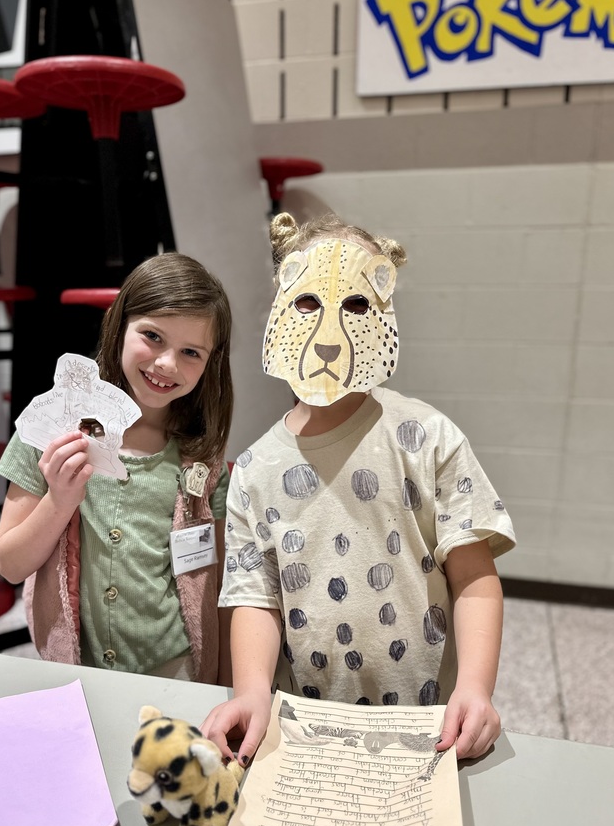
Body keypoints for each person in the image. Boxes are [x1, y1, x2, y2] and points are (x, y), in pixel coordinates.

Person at [202, 212, 515, 764]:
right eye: (307, 303)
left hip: (427, 721)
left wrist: (475, 687)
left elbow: (472, 574)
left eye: (355, 305)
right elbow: (256, 596)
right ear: (280, 304)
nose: (331, 330)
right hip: (305, 722)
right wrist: (251, 691)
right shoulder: (253, 470)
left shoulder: (427, 438)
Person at [0, 252, 234, 682]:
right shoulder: (50, 430)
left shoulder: (202, 456)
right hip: (78, 669)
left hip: (177, 665)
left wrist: (227, 684)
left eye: (190, 352)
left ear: (211, 360)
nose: (166, 364)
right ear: (119, 324)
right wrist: (60, 499)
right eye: (153, 337)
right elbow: (11, 564)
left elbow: (218, 583)